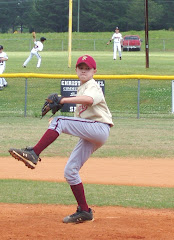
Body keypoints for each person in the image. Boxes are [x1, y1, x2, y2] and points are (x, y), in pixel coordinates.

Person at [9, 55, 114, 224]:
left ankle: (34, 153)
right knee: (70, 171)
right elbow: (79, 119)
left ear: (95, 71)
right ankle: (85, 211)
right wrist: (60, 125)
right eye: (81, 68)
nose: (84, 71)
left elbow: (89, 100)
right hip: (92, 133)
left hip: (100, 128)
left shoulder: (92, 85)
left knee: (59, 121)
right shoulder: (82, 88)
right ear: (76, 70)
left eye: (88, 68)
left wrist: (62, 102)